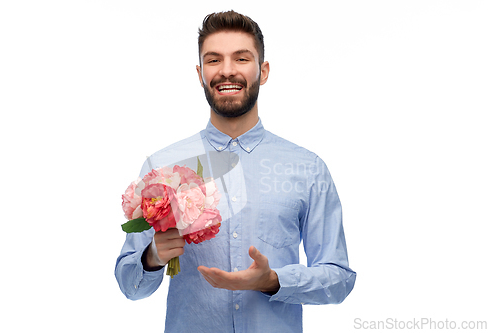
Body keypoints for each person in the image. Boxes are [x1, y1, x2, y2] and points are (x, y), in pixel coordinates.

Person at [115, 10, 356, 332]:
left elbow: (338, 279)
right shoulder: (162, 168)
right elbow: (131, 287)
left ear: (263, 70)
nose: (227, 71)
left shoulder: (307, 168)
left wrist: (274, 280)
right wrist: (152, 257)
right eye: (214, 61)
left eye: (241, 59)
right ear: (200, 73)